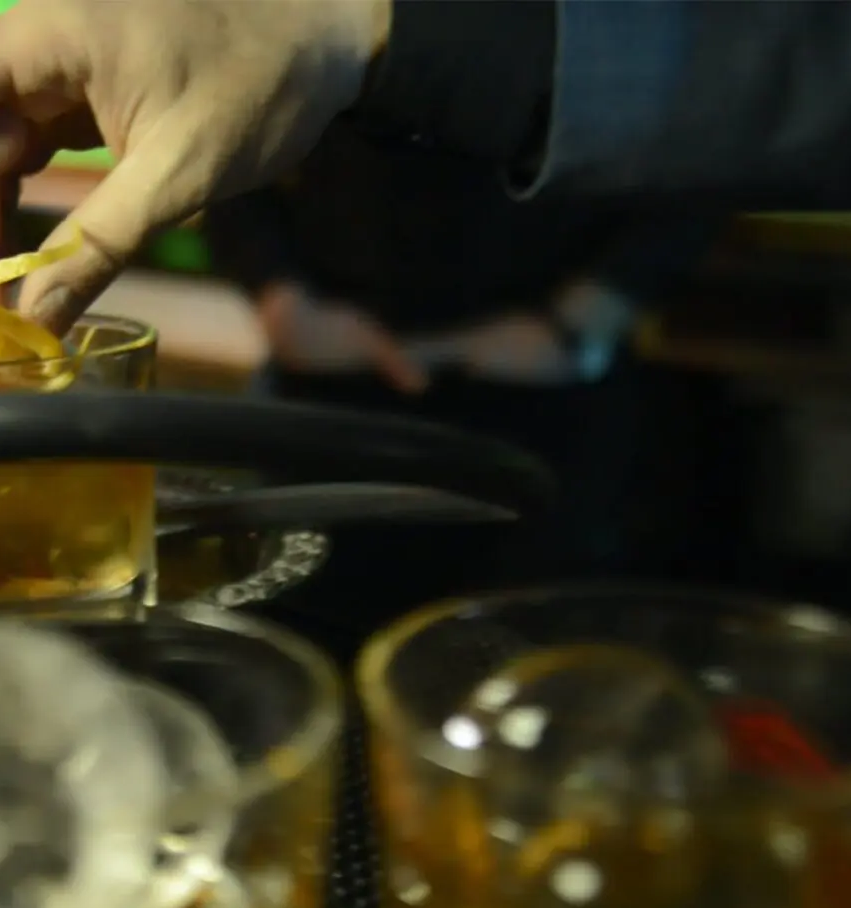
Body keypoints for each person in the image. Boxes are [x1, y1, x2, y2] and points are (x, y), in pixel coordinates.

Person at [0, 0, 851, 335]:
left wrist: (591, 316)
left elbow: (739, 79)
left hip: (547, 374)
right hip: (325, 364)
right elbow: (200, 131)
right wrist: (280, 299)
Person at [201, 117, 720, 583]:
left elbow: (704, 148)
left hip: (545, 389)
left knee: (531, 625)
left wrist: (580, 320)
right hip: (329, 375)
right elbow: (223, 133)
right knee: (312, 607)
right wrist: (280, 296)